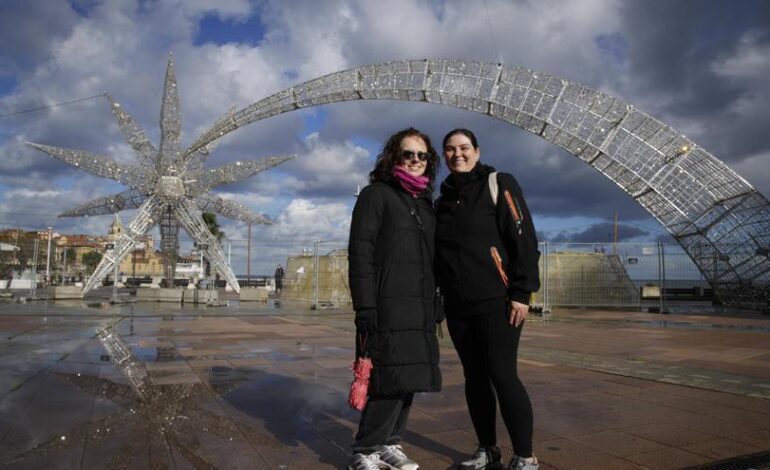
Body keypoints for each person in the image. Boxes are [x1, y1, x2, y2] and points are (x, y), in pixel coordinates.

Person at [435, 129, 541, 470]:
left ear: (477, 152)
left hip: (497, 300)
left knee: (502, 373)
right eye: (450, 150)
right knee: (474, 377)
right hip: (458, 305)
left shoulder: (499, 183)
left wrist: (522, 292)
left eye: (464, 148)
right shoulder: (443, 199)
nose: (457, 154)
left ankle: (525, 455)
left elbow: (523, 237)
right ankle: (487, 449)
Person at [348, 128, 442, 470]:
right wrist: (365, 306)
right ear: (393, 158)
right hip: (387, 303)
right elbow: (360, 254)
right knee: (388, 377)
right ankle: (365, 449)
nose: (415, 161)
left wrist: (437, 300)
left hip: (419, 305)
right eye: (408, 154)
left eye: (422, 155)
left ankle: (390, 442)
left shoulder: (424, 204)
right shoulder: (376, 195)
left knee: (409, 377)